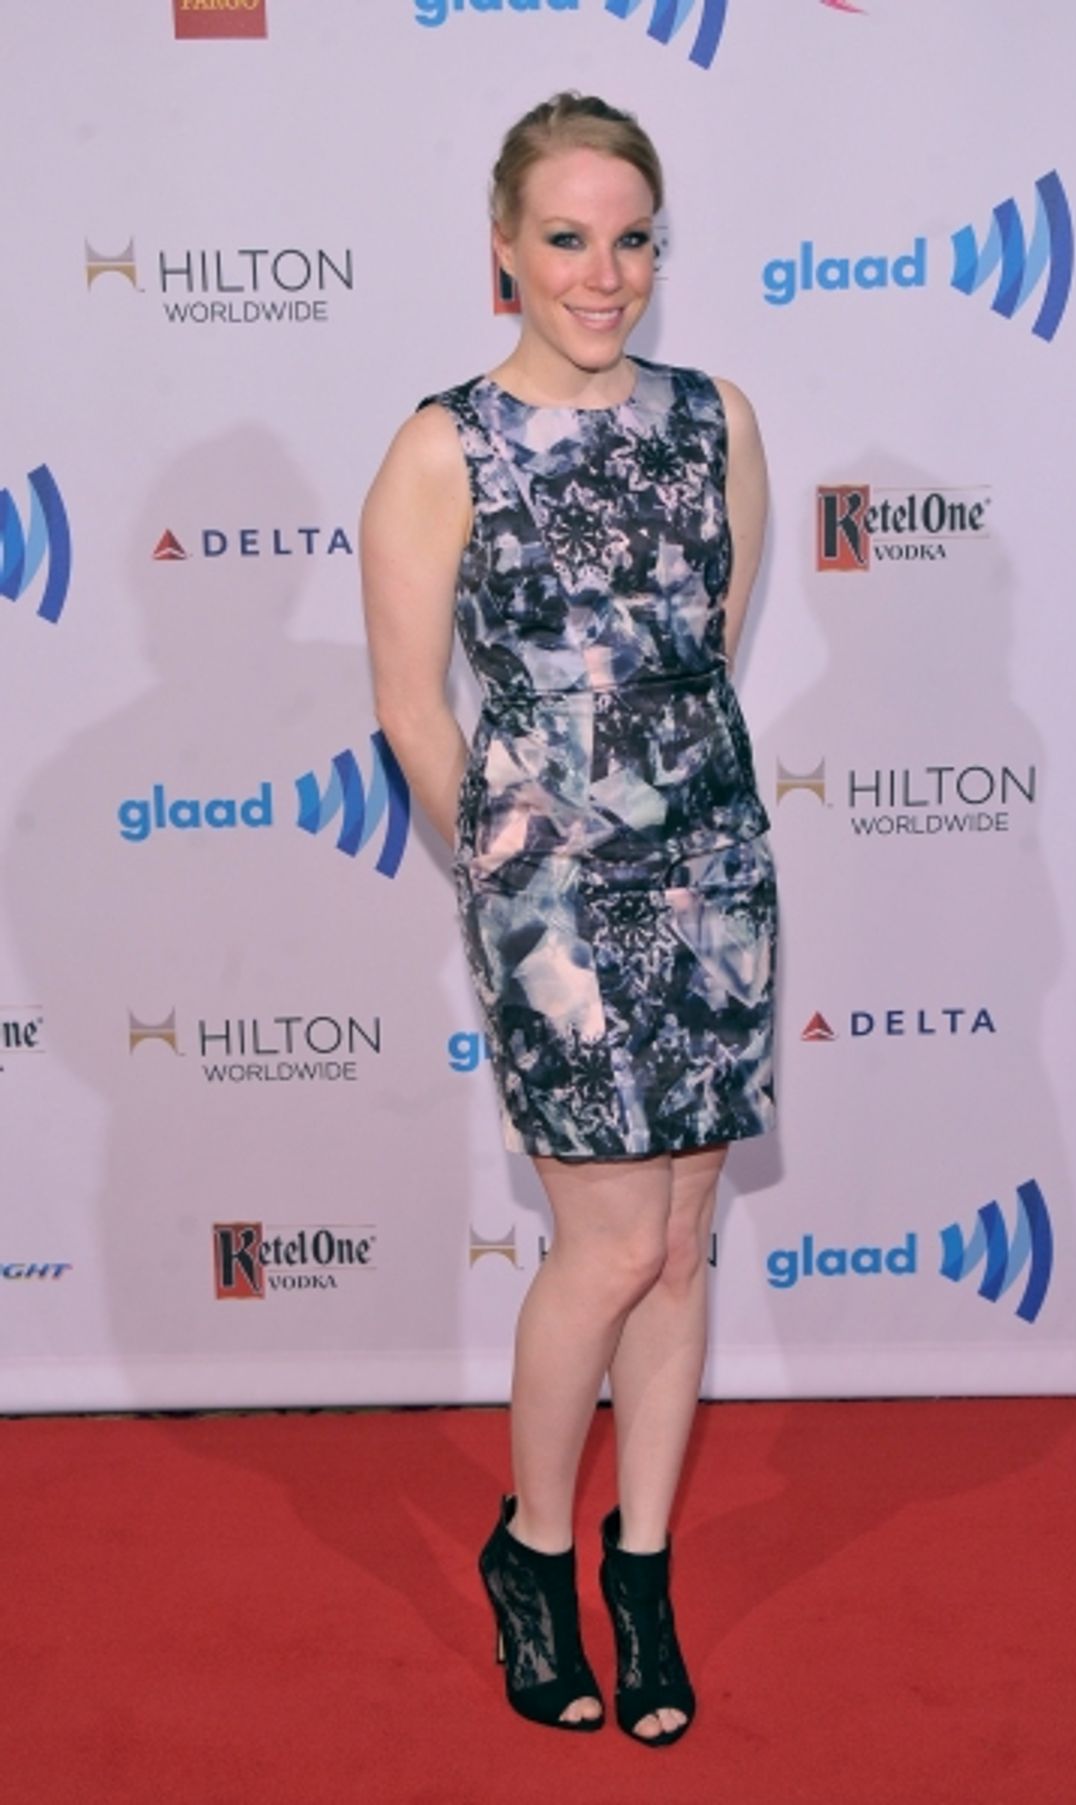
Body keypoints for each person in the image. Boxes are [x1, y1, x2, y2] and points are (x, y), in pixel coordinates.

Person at [360, 92, 777, 1747]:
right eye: (566, 238)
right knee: (605, 1246)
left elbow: (706, 647)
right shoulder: (438, 444)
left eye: (631, 237)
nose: (603, 274)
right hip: (554, 900)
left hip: (718, 872)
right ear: (503, 250)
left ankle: (644, 1572)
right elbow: (412, 711)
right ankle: (535, 1553)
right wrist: (520, 872)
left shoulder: (717, 416)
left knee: (681, 1246)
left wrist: (671, 824)